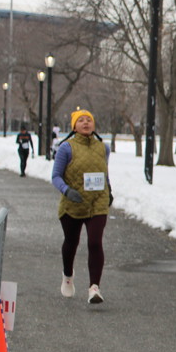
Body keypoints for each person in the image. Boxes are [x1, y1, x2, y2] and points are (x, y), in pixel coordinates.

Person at [51, 109, 112, 304]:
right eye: (81, 120)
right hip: (73, 204)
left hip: (97, 202)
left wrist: (109, 190)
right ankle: (68, 275)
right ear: (74, 127)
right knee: (71, 242)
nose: (86, 123)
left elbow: (103, 172)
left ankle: (94, 288)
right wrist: (67, 191)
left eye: (89, 120)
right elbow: (55, 176)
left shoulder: (103, 148)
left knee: (95, 242)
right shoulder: (66, 148)